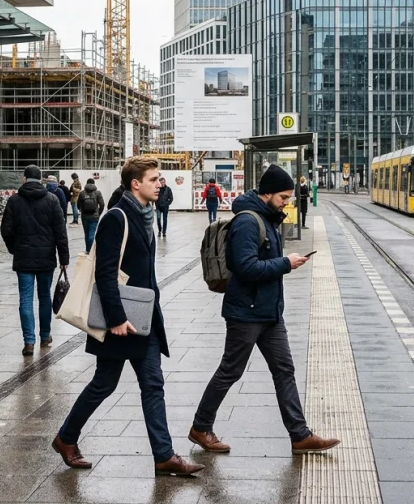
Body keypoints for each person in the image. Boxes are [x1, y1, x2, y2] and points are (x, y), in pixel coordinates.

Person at [54, 156, 204, 477]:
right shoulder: (117, 218)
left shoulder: (145, 215)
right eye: (154, 179)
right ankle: (66, 438)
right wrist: (117, 318)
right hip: (120, 321)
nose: (160, 183)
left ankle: (164, 455)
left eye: (159, 179)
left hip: (143, 317)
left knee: (152, 384)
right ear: (136, 184)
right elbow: (106, 275)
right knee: (103, 385)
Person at [189, 165, 340, 456]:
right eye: (283, 197)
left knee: (284, 370)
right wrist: (286, 263)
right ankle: (200, 427)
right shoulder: (248, 221)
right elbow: (244, 267)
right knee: (230, 371)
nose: (287, 202)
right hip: (246, 312)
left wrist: (282, 263)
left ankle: (300, 435)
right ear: (267, 193)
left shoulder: (269, 217)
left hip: (269, 313)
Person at [1, 165, 69, 356]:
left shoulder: (14, 201)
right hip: (46, 257)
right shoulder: (52, 200)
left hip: (23, 257)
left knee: (25, 299)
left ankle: (29, 341)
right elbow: (60, 232)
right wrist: (64, 258)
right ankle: (45, 335)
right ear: (41, 180)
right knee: (45, 297)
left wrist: (14, 249)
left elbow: (6, 230)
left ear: (24, 179)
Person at [78, 178, 105, 253]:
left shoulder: (82, 193)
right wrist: (98, 213)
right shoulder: (98, 193)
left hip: (85, 217)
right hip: (94, 217)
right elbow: (102, 204)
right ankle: (91, 251)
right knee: (92, 233)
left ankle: (88, 250)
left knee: (86, 233)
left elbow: (78, 205)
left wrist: (82, 210)